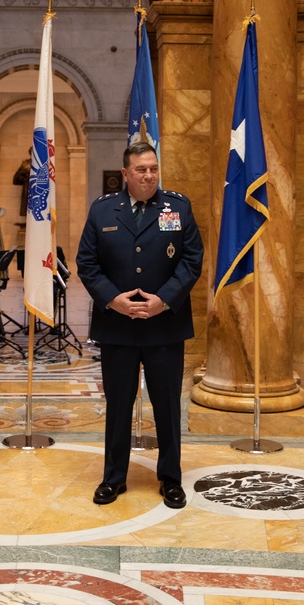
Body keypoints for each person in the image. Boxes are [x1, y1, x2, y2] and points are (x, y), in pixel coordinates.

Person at [76, 141, 204, 509]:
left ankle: (171, 478)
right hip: (118, 327)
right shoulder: (103, 211)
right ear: (126, 174)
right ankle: (113, 478)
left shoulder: (177, 208)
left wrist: (162, 300)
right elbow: (88, 263)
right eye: (141, 170)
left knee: (166, 405)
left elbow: (192, 260)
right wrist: (113, 300)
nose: (149, 175)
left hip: (164, 326)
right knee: (117, 405)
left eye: (153, 168)